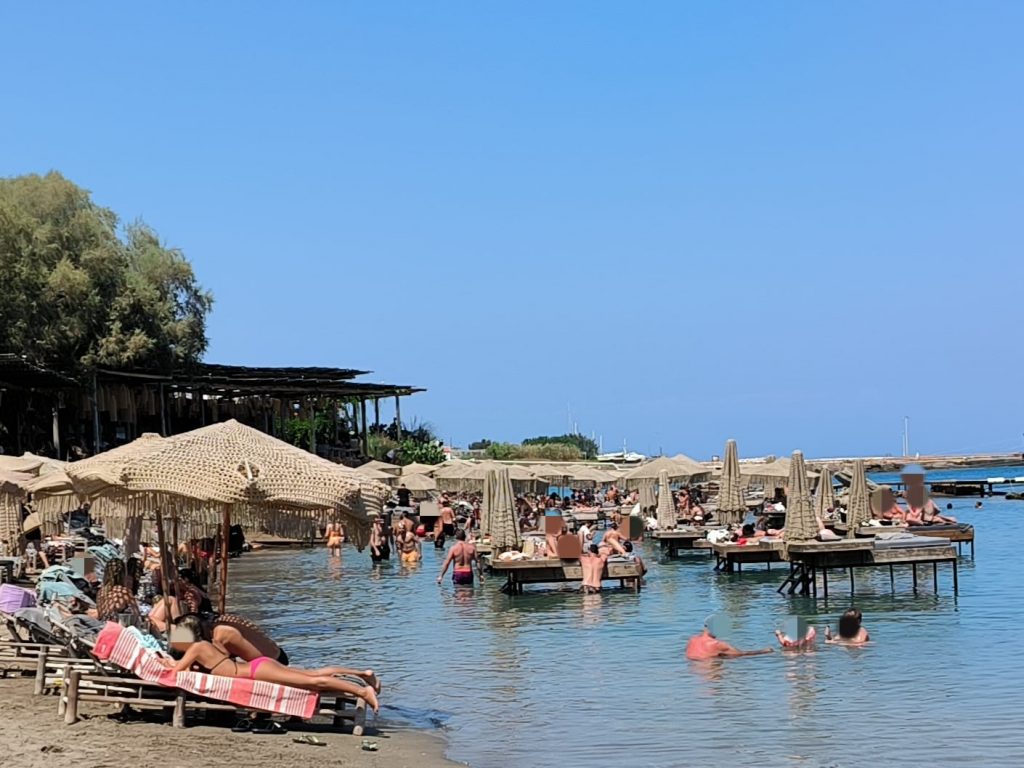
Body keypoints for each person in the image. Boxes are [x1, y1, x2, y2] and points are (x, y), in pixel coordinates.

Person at [159, 637, 380, 713]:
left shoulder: (196, 649)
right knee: (313, 674)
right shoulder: (207, 644)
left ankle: (362, 691)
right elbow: (182, 665)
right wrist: (173, 661)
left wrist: (169, 663)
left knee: (312, 682)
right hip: (257, 666)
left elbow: (176, 672)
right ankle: (363, 673)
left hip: (256, 673)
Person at [171, 613, 290, 665]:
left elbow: (219, 663)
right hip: (275, 655)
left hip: (273, 662)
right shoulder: (219, 625)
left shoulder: (222, 635)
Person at [685, 624, 773, 660]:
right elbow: (741, 653)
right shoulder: (717, 644)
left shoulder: (692, 639)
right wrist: (764, 651)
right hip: (708, 672)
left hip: (694, 673)